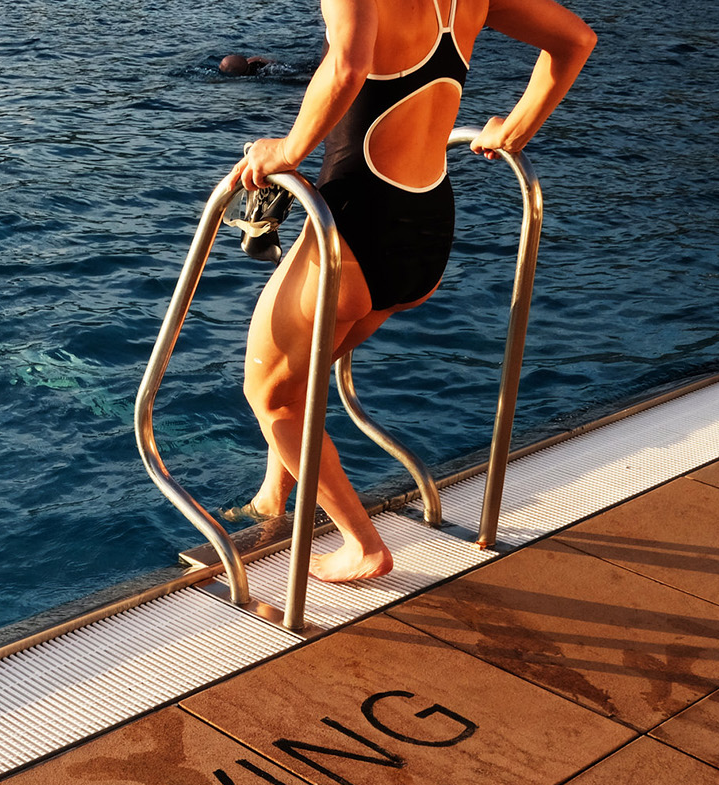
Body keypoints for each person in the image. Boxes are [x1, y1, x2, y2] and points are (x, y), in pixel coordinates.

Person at [226, 0, 594, 581]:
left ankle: (362, 544)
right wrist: (515, 130)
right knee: (303, 372)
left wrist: (288, 149)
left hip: (357, 227)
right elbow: (575, 40)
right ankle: (275, 493)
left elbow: (349, 68)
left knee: (269, 396)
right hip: (427, 229)